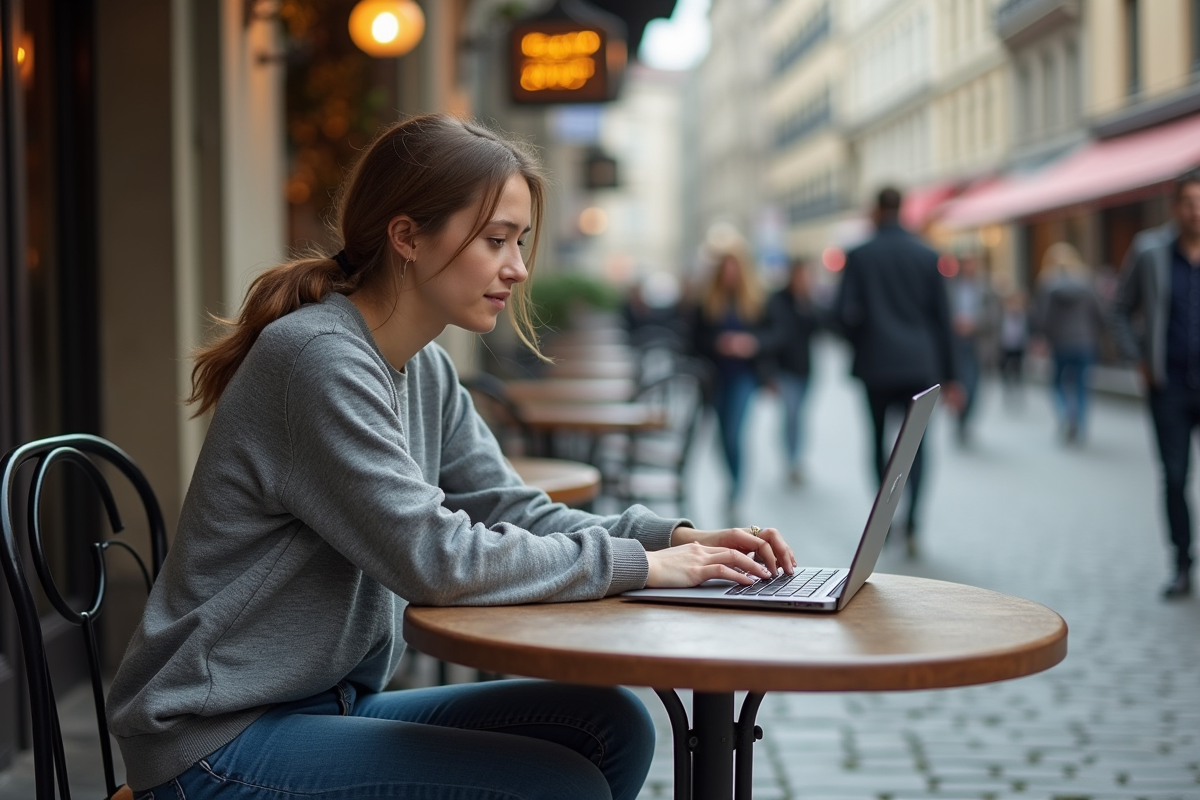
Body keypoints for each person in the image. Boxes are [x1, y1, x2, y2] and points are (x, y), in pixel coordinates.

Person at [105, 114, 796, 800]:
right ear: (406, 236)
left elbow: (504, 506)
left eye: (520, 241)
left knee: (610, 724)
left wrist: (673, 539)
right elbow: (435, 559)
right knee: (555, 785)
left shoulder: (423, 365)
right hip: (215, 737)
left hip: (320, 703)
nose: (518, 268)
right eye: (496, 240)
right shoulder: (317, 359)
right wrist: (642, 567)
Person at [834, 186, 959, 557]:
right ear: (902, 208)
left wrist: (861, 337)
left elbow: (841, 314)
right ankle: (915, 523)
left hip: (875, 364)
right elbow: (943, 320)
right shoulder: (926, 255)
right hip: (919, 364)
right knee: (918, 446)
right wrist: (953, 377)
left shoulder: (859, 255)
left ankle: (884, 522)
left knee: (877, 443)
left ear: (876, 209)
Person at [1112, 167, 1200, 599]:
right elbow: (1120, 308)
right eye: (1188, 203)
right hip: (1169, 388)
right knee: (1175, 476)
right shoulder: (1150, 251)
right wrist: (1138, 358)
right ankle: (1182, 562)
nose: (1196, 212)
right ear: (1174, 207)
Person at [689, 242, 768, 519]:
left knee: (735, 433)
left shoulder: (755, 300)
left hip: (744, 376)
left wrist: (751, 343)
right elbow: (693, 339)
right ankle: (731, 482)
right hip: (715, 377)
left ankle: (736, 489)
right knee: (722, 436)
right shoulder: (707, 302)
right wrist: (717, 343)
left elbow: (776, 333)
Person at [1030, 242, 1106, 444]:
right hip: (1085, 341)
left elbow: (1043, 317)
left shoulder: (1047, 284)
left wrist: (1043, 336)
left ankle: (1066, 414)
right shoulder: (1087, 282)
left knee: (1057, 383)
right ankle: (1078, 420)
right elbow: (1100, 312)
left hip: (1060, 343)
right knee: (1081, 384)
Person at [764, 257, 821, 484]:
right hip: (784, 369)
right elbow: (776, 334)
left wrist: (808, 302)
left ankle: (796, 459)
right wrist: (769, 373)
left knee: (799, 417)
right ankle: (791, 460)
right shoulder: (778, 301)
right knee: (791, 415)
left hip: (805, 369)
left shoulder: (807, 301)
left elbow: (819, 328)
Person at [948, 253, 996, 444]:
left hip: (977, 343)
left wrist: (974, 323)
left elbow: (994, 315)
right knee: (959, 383)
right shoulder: (950, 287)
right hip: (956, 343)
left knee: (974, 384)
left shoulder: (985, 288)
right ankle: (959, 419)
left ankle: (966, 419)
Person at [997, 288, 1030, 404]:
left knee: (1018, 369)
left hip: (1019, 346)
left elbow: (1026, 331)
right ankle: (1008, 389)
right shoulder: (1003, 314)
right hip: (1006, 345)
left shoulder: (1023, 314)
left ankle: (1017, 389)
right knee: (1005, 369)